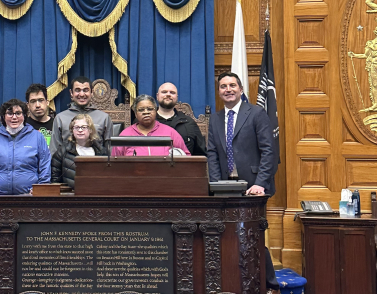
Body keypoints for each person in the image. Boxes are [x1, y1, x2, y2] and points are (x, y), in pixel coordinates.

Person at [207, 71, 279, 294]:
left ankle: (269, 285)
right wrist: (215, 184)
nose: (227, 89)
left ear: (240, 90)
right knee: (227, 235)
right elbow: (212, 153)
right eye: (223, 86)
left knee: (253, 235)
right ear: (219, 92)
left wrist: (260, 183)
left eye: (232, 85)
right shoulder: (216, 118)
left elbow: (269, 151)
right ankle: (233, 282)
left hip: (253, 187)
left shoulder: (256, 113)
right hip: (224, 188)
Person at [0, 98, 51, 195]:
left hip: (29, 197)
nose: (14, 117)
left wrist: (40, 188)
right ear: (3, 116)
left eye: (18, 113)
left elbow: (45, 166)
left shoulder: (37, 137)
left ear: (24, 115)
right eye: (10, 113)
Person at [50, 76, 113, 155]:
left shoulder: (104, 118)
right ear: (71, 93)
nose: (82, 94)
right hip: (67, 165)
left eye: (85, 90)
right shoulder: (60, 118)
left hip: (96, 165)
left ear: (92, 92)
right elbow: (54, 151)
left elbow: (110, 151)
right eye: (77, 90)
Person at [112, 94, 190, 156]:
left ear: (156, 111)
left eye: (150, 109)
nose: (146, 112)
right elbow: (115, 164)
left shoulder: (170, 133)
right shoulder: (125, 135)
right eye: (141, 110)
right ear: (135, 114)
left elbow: (186, 158)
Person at [51, 113, 108, 189]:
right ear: (72, 130)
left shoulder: (101, 151)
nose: (80, 130)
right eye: (76, 127)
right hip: (70, 196)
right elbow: (55, 179)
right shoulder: (62, 151)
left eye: (84, 127)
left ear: (90, 130)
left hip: (95, 194)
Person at [156, 82, 206, 156]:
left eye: (172, 93)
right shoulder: (146, 122)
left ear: (177, 97)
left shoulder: (189, 123)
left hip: (185, 166)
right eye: (164, 92)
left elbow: (200, 153)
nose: (168, 94)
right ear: (157, 96)